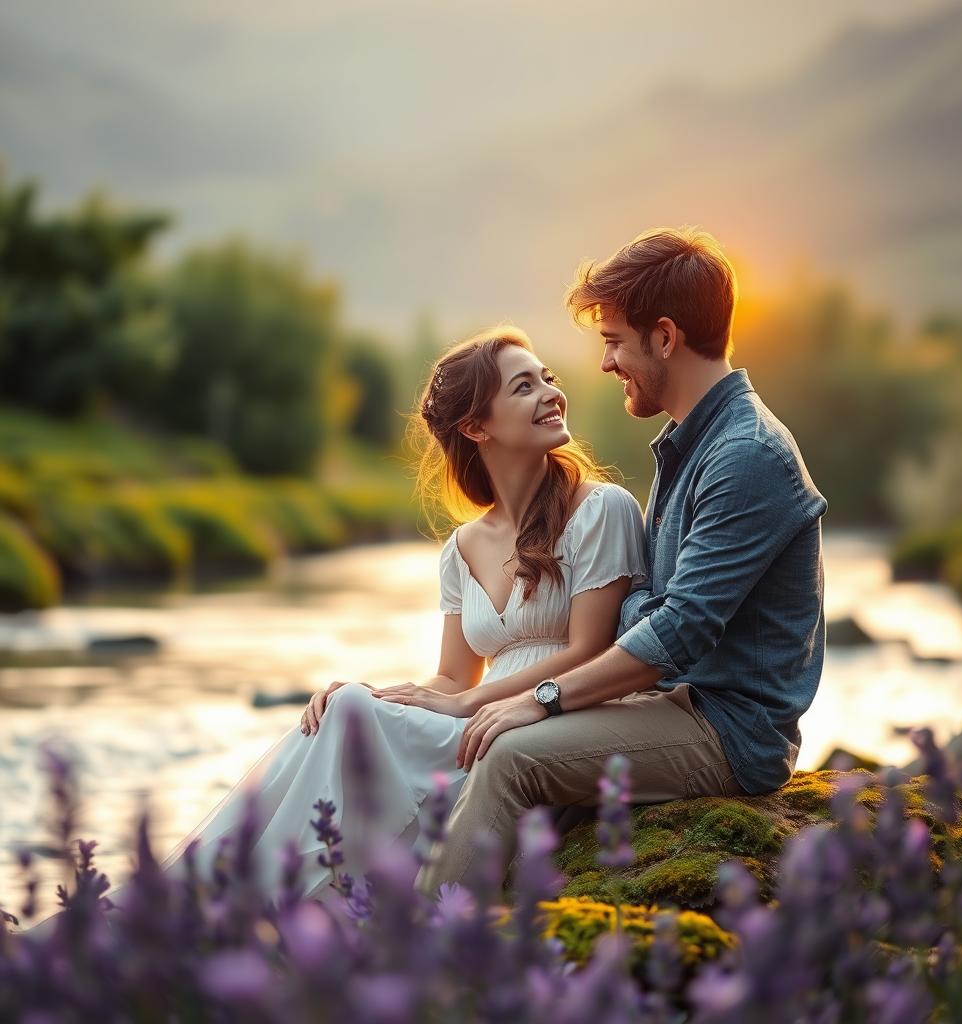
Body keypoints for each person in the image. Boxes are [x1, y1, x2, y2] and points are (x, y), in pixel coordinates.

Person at [145, 324, 648, 899]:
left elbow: (591, 650)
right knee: (344, 706)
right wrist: (381, 695)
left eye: (547, 379)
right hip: (477, 721)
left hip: (546, 725)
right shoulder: (461, 548)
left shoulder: (603, 508)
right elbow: (454, 676)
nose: (550, 393)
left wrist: (462, 702)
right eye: (523, 386)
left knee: (352, 716)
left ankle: (226, 896)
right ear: (475, 427)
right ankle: (202, 892)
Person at [413, 227, 828, 894]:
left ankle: (423, 956)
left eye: (613, 342)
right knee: (482, 744)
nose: (605, 364)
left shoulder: (746, 454)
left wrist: (541, 700)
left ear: (664, 337)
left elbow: (677, 630)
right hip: (675, 704)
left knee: (511, 756)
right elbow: (653, 613)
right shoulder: (688, 443)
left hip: (726, 730)